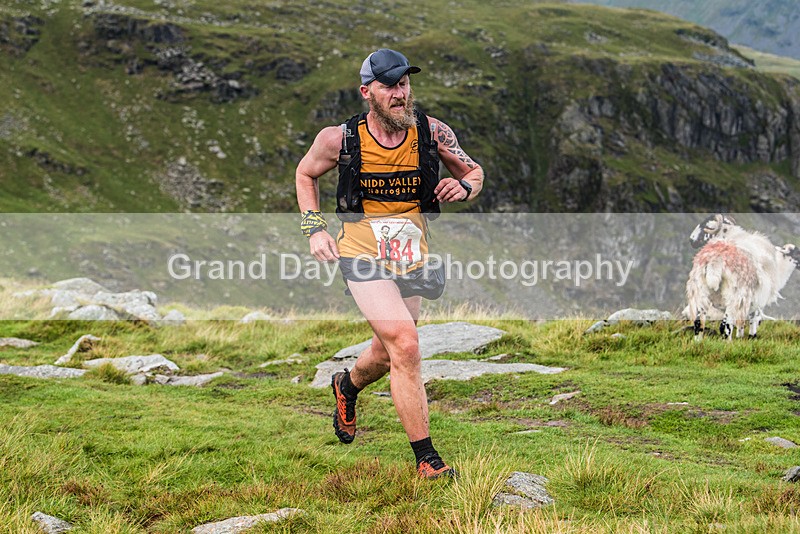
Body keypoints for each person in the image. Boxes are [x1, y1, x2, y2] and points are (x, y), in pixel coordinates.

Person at [295, 48, 483, 479]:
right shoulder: (337, 139)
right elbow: (306, 174)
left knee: (386, 351)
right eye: (389, 86)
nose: (400, 94)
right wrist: (315, 228)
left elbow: (474, 172)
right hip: (361, 251)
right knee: (407, 342)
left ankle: (347, 385)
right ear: (368, 92)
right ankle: (427, 459)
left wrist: (464, 187)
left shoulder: (432, 131)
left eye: (404, 84)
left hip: (410, 253)